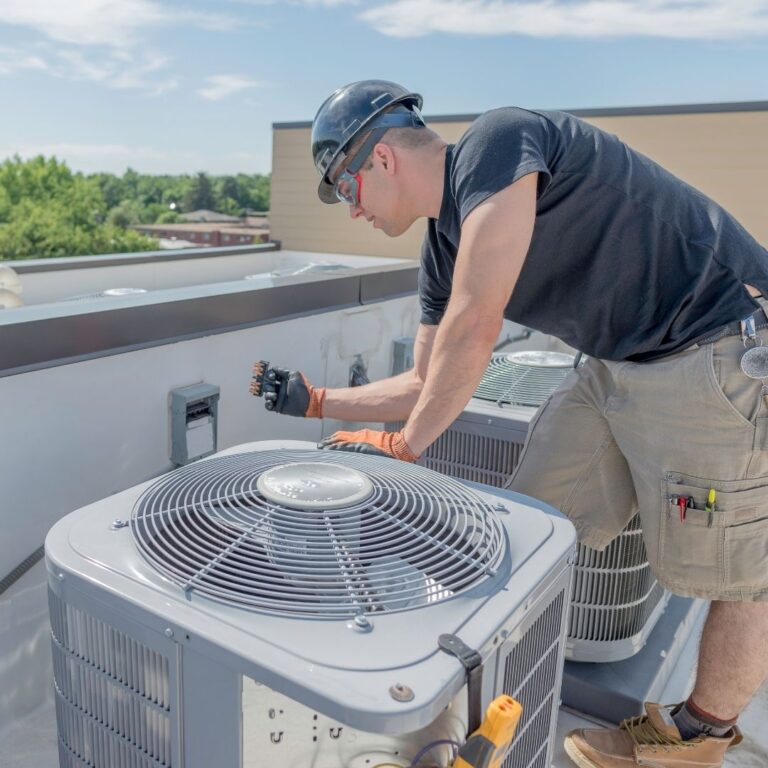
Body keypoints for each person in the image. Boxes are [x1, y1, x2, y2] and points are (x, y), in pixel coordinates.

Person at [260, 80, 768, 768]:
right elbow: (423, 381)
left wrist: (406, 446)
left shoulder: (497, 143)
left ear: (381, 159)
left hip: (714, 341)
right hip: (617, 362)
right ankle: (474, 690)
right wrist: (315, 401)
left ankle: (698, 736)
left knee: (741, 575)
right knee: (529, 520)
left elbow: (475, 325)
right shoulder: (443, 249)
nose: (351, 211)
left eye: (345, 188)